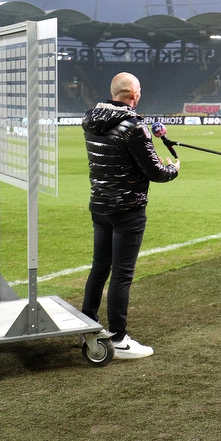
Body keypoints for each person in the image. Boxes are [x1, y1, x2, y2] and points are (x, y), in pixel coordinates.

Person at [81, 72, 180, 359]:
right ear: (134, 95)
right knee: (122, 275)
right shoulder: (134, 126)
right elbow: (155, 172)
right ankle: (118, 338)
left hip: (100, 205)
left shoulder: (90, 120)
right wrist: (174, 167)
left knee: (100, 267)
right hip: (127, 209)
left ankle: (87, 327)